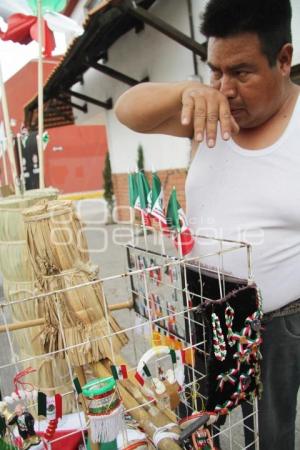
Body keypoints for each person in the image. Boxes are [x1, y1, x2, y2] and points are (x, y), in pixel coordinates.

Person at [115, 1, 300, 449]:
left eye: (241, 72)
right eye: (215, 71)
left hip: (281, 322)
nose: (225, 88)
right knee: (199, 426)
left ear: (283, 59)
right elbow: (127, 110)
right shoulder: (209, 112)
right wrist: (187, 91)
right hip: (205, 307)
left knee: (269, 434)